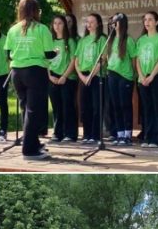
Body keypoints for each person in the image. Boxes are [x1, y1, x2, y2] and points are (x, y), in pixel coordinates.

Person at [5, 0, 55, 160]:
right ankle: (29, 150)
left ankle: (33, 142)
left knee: (25, 108)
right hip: (35, 72)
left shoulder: (13, 30)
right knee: (34, 110)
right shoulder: (42, 29)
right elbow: (48, 54)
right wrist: (56, 53)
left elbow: (8, 54)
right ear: (36, 11)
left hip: (17, 73)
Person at [104, 14, 137, 146]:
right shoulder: (110, 39)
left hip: (125, 76)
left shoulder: (128, 40)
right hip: (112, 74)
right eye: (112, 22)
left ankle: (128, 134)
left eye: (115, 22)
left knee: (125, 105)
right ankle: (120, 133)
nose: (113, 24)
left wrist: (133, 75)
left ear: (121, 23)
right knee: (116, 105)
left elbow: (134, 59)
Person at [136, 11, 158, 148]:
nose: (147, 22)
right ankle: (147, 137)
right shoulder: (141, 40)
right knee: (146, 108)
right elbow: (137, 59)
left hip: (157, 76)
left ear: (157, 22)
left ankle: (157, 139)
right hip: (143, 77)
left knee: (157, 107)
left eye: (150, 19)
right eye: (145, 20)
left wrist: (152, 76)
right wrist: (141, 75)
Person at [73, 13, 105, 144]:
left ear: (98, 24)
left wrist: (91, 75)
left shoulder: (102, 39)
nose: (89, 24)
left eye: (92, 22)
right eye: (87, 22)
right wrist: (81, 76)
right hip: (83, 76)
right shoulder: (82, 41)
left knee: (96, 106)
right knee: (85, 106)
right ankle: (86, 134)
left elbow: (102, 60)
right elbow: (76, 61)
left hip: (96, 76)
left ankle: (95, 135)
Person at [48, 14, 78, 143]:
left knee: (68, 106)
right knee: (56, 107)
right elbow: (46, 60)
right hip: (52, 77)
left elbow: (73, 60)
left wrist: (65, 76)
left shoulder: (69, 41)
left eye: (60, 23)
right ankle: (58, 132)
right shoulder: (50, 42)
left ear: (65, 25)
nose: (57, 26)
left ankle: (70, 134)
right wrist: (49, 75)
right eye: (55, 23)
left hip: (67, 78)